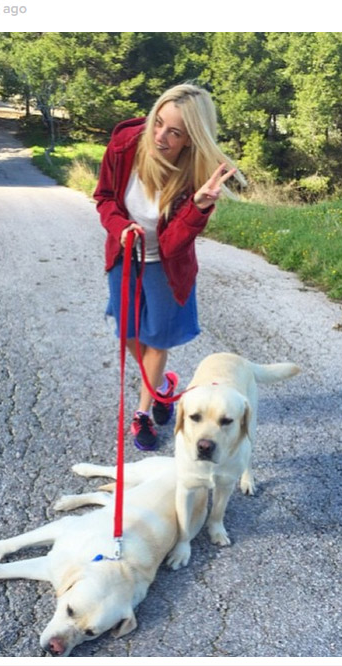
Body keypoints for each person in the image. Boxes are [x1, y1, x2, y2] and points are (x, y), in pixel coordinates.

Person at [94, 83, 246, 451]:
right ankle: (162, 387)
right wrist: (121, 226)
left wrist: (198, 205)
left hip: (165, 265)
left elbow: (172, 243)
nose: (159, 136)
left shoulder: (198, 175)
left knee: (157, 340)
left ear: (190, 139)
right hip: (125, 255)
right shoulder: (126, 144)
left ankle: (144, 412)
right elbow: (104, 199)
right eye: (157, 123)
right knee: (129, 332)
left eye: (173, 132)